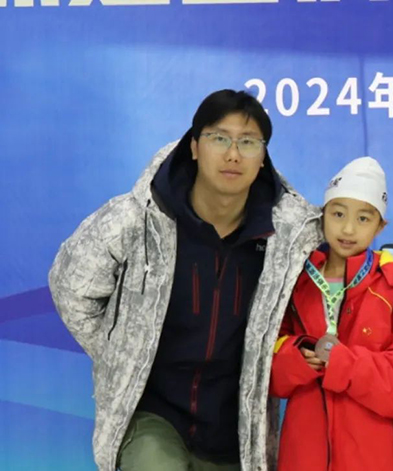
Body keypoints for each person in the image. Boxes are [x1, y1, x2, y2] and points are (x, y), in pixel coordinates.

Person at [48, 90, 322, 471]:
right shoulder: (139, 217)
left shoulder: (289, 239)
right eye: (219, 138)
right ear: (194, 146)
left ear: (263, 158)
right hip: (154, 416)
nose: (233, 154)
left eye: (248, 142)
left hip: (235, 432)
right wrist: (122, 357)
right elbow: (70, 285)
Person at [269, 157, 393, 471]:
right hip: (305, 453)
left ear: (380, 226)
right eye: (338, 213)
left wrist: (343, 364)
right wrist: (296, 358)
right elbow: (262, 372)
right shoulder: (294, 282)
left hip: (374, 456)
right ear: (323, 214)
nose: (348, 229)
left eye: (363, 218)